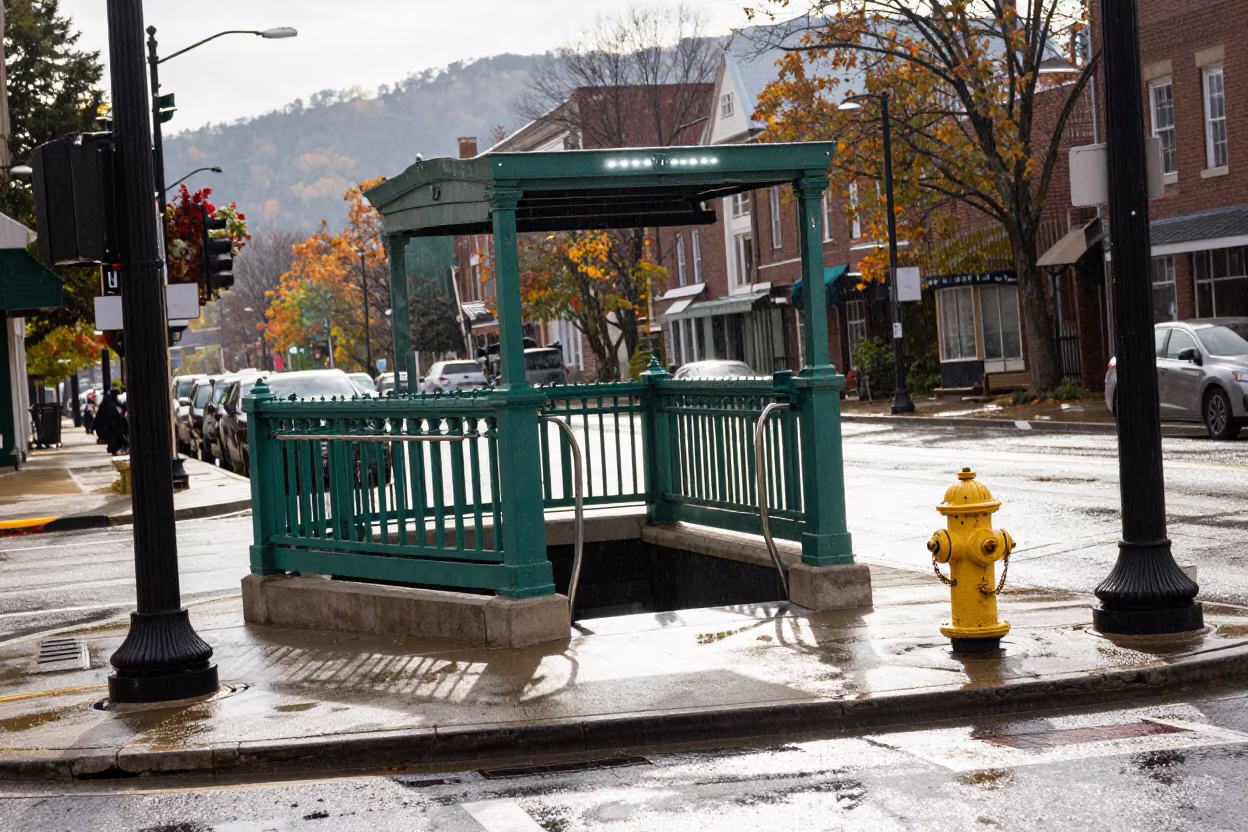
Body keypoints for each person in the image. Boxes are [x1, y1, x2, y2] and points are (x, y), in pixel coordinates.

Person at [95, 387, 129, 455]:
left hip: (115, 426)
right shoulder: (110, 405)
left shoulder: (112, 403)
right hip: (112, 427)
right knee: (116, 439)